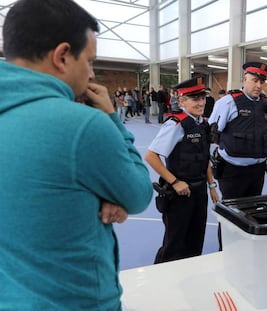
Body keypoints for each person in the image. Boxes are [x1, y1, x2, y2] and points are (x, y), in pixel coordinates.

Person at [0, 0, 153, 310]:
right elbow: (138, 193)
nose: (92, 72)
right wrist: (112, 118)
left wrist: (80, 200)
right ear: (62, 55)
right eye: (90, 60)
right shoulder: (82, 126)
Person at [145, 77, 219, 263]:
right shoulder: (175, 124)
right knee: (174, 243)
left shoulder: (203, 124)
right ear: (182, 101)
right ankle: (163, 280)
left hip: (199, 191)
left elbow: (204, 158)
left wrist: (211, 185)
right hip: (179, 195)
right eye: (195, 99)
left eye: (202, 98)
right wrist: (175, 182)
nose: (201, 102)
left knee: (196, 240)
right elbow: (151, 156)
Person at [208, 62, 267, 250]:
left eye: (261, 81)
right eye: (254, 80)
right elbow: (212, 133)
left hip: (257, 171)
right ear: (245, 79)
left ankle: (246, 250)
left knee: (252, 213)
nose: (258, 85)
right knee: (230, 215)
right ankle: (226, 251)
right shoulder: (228, 102)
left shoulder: (266, 105)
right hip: (232, 172)